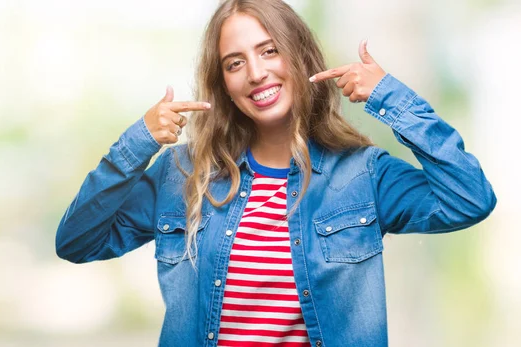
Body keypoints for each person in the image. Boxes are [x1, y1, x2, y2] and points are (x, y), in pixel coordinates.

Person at [55, 0, 497, 346]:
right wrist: (139, 142)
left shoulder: (362, 175)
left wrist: (389, 97)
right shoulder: (182, 173)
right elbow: (77, 241)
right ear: (223, 84)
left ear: (301, 57)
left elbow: (470, 198)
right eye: (235, 62)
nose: (256, 72)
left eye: (270, 51)